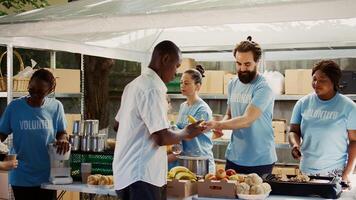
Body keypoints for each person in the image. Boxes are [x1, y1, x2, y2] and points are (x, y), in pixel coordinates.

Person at [112, 40, 206, 200]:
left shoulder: (133, 85)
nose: (176, 73)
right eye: (176, 66)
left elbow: (117, 125)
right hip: (142, 176)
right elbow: (161, 137)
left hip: (125, 174)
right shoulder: (153, 88)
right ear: (165, 59)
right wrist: (187, 132)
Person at [204, 36, 277, 176]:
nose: (242, 68)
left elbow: (247, 120)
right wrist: (221, 127)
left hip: (260, 159)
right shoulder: (232, 84)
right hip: (234, 157)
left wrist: (217, 125)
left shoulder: (264, 87)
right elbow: (230, 114)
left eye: (247, 64)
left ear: (257, 62)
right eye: (238, 63)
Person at [0, 69, 70, 200]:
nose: (35, 95)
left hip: (48, 176)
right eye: (31, 90)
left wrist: (63, 140)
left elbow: (61, 132)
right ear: (28, 85)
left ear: (50, 90)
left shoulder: (56, 107)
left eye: (40, 93)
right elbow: (1, 134)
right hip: (21, 176)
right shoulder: (14, 107)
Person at [288, 60, 356, 185]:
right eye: (314, 79)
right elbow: (293, 131)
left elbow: (354, 141)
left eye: (322, 80)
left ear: (334, 81)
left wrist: (347, 173)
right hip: (306, 171)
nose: (316, 83)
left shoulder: (349, 107)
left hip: (335, 173)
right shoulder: (303, 103)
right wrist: (295, 145)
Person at [168, 65, 215, 173]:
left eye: (186, 83)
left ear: (197, 86)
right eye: (181, 82)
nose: (182, 86)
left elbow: (190, 134)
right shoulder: (183, 106)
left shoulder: (202, 109)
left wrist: (171, 131)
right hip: (186, 161)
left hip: (200, 162)